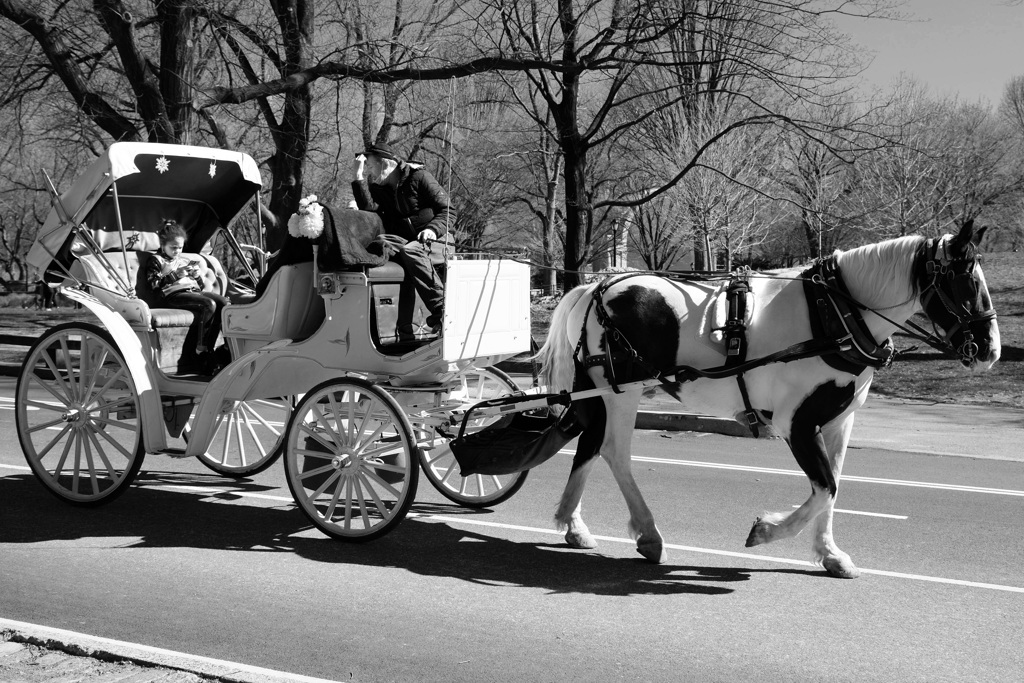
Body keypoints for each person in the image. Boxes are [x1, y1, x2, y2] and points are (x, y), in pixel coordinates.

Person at [351, 143, 454, 339]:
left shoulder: (419, 177)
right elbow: (369, 212)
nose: (369, 172)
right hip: (408, 241)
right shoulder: (380, 189)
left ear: (387, 164)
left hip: (439, 238)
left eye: (371, 167)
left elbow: (448, 211)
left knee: (411, 251)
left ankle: (442, 309)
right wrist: (358, 178)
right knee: (381, 243)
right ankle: (405, 332)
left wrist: (432, 230)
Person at [146, 220, 228, 373]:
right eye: (173, 248)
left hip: (192, 292)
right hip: (172, 295)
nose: (177, 251)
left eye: (180, 247)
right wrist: (174, 275)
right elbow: (154, 286)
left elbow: (200, 285)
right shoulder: (156, 260)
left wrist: (197, 276)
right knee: (209, 304)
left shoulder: (183, 260)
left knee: (224, 304)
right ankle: (201, 349)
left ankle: (224, 346)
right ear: (163, 245)